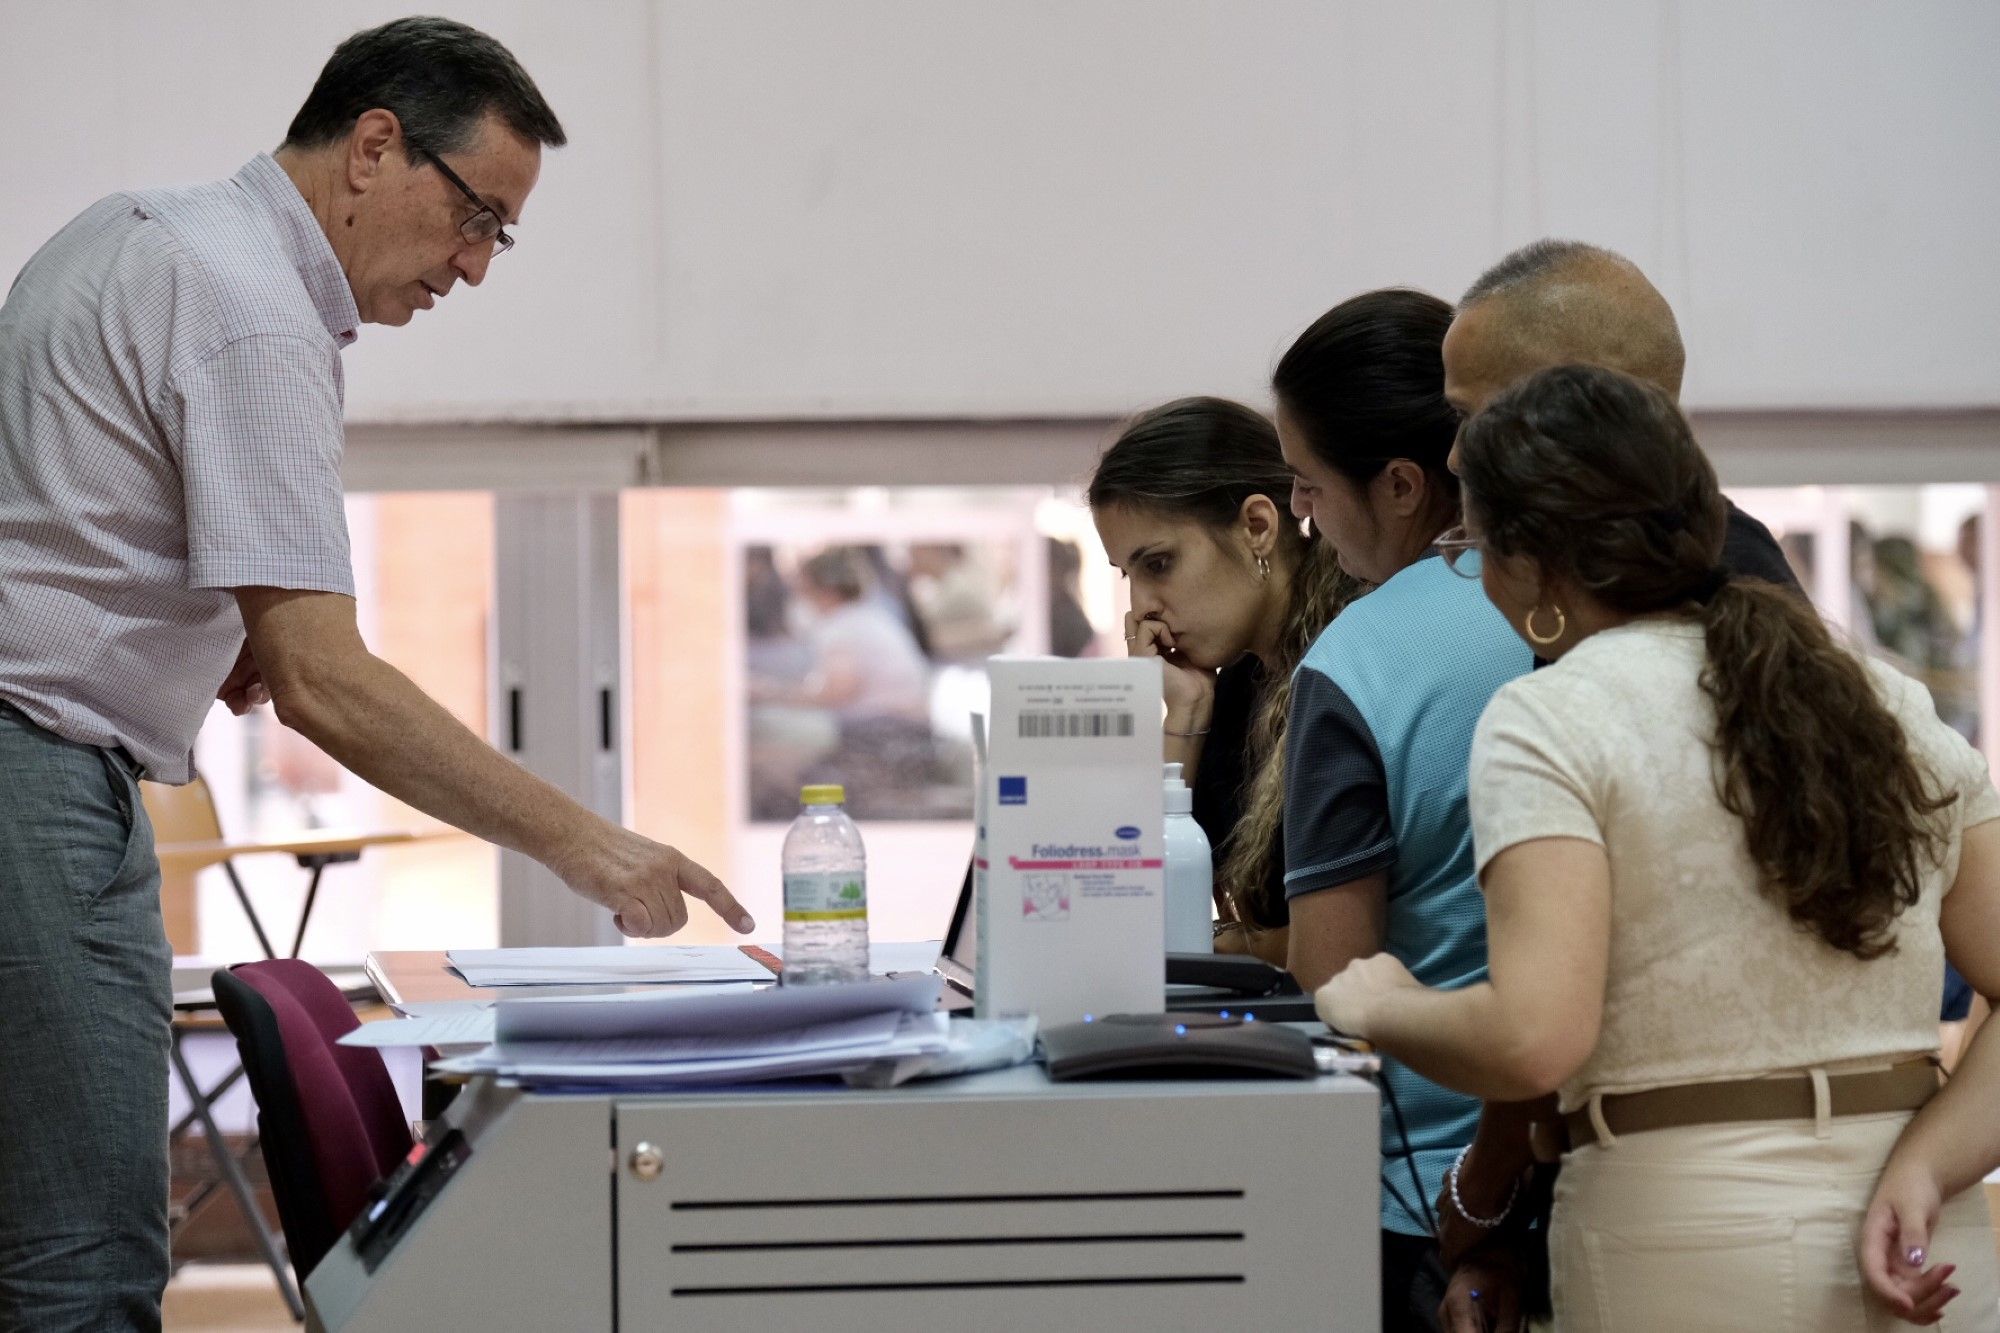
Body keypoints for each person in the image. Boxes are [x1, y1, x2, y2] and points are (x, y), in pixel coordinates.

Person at [0, 20, 751, 1329]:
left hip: (36, 754)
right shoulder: (252, 307)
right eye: (478, 219)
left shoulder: (138, 233)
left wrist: (217, 633)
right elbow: (326, 680)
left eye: (499, 237)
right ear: (374, 146)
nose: (473, 268)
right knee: (85, 1270)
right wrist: (591, 846)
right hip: (38, 773)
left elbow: (75, 521)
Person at [1317, 364, 2000, 1331]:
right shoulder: (1882, 701)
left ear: (1529, 566)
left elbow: (1535, 1037)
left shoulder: (1550, 718)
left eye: (1474, 547)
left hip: (1686, 1240)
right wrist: (1925, 1166)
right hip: (1924, 1237)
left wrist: (1381, 1003)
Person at [1433, 237, 1804, 1328]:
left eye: (1469, 415)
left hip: (1678, 1218)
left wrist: (1482, 1197)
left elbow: (1560, 1016)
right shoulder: (1770, 632)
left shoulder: (1581, 692)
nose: (1450, 455)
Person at [1273, 290, 1535, 1331]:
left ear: (1396, 484)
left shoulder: (1354, 661)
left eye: (1305, 482)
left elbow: (1333, 987)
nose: (1299, 513)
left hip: (1423, 1201)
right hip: (1580, 1160)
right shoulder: (1585, 606)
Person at [1087, 397, 1363, 964]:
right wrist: (1184, 714)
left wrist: (1232, 943)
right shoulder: (1236, 687)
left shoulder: (1353, 658)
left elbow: (1348, 942)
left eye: (1158, 564)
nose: (1143, 608)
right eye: (1127, 575)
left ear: (1257, 527)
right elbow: (1129, 909)